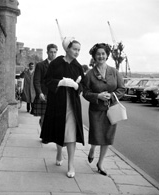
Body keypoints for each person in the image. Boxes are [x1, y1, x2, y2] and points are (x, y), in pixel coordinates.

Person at [40, 37, 85, 178]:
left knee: (71, 133)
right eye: (74, 49)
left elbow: (82, 85)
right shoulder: (56, 63)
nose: (77, 52)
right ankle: (59, 152)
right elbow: (47, 80)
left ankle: (71, 164)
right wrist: (60, 82)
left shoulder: (78, 66)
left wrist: (77, 86)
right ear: (67, 48)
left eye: (79, 50)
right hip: (58, 104)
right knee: (60, 129)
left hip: (73, 105)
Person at [82, 43, 125, 176]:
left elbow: (121, 89)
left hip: (111, 110)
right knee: (96, 135)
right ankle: (92, 149)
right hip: (96, 110)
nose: (100, 56)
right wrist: (98, 96)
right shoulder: (89, 74)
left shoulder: (114, 72)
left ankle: (100, 164)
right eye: (98, 54)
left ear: (107, 55)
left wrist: (112, 96)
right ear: (94, 57)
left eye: (103, 54)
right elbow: (85, 92)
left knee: (107, 136)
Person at [32, 44, 58, 127]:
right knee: (44, 116)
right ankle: (44, 135)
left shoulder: (59, 66)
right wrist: (39, 93)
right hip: (44, 94)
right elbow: (36, 81)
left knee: (53, 117)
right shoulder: (40, 65)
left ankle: (49, 133)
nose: (53, 54)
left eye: (54, 52)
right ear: (47, 52)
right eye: (51, 52)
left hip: (55, 94)